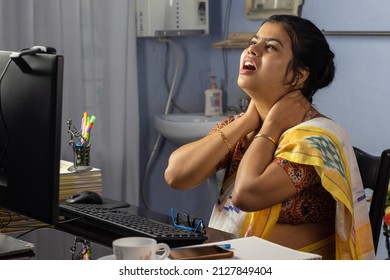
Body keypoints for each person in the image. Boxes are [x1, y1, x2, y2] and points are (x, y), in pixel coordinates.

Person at [164, 15, 375, 260]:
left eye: (270, 47)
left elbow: (246, 195)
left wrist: (271, 127)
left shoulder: (316, 138)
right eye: (253, 42)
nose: (252, 49)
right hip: (237, 260)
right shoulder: (243, 125)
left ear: (298, 76)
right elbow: (176, 175)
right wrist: (245, 122)